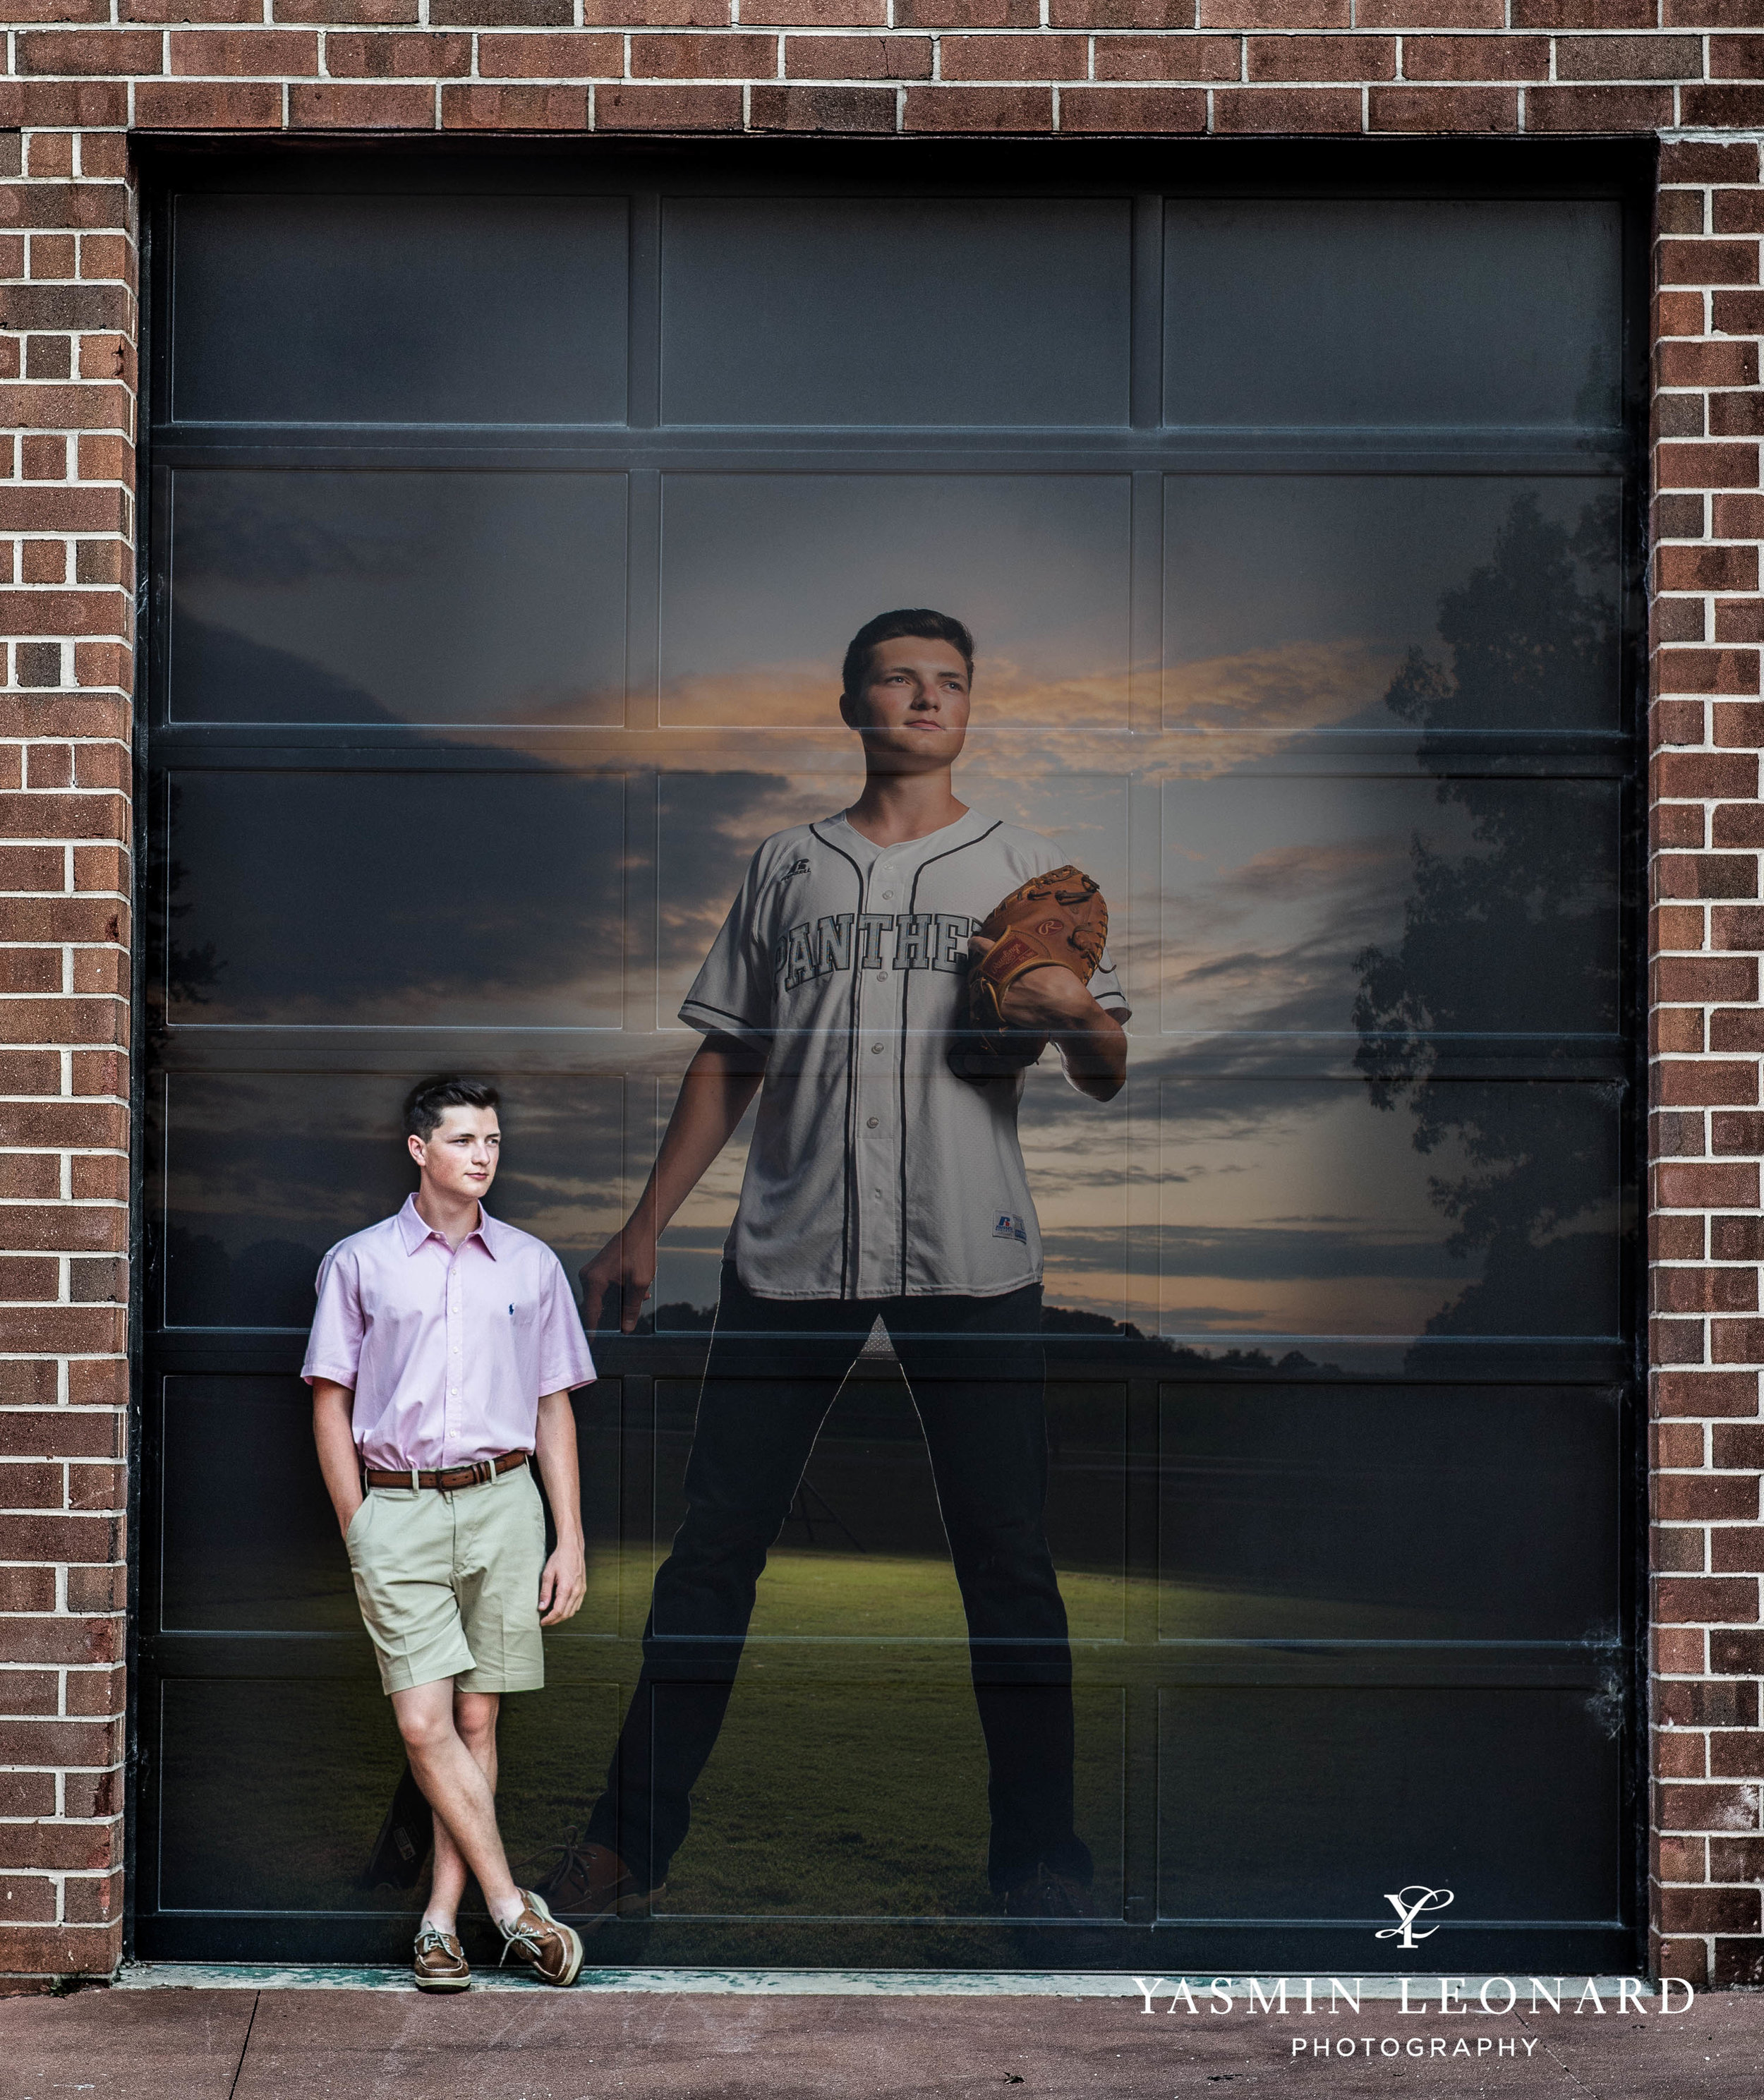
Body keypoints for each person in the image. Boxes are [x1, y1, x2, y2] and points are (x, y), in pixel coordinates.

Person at [533, 609, 1131, 1926]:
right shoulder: (785, 866)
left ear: (970, 708)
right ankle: (628, 1846)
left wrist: (1079, 1016)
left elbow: (1100, 1066)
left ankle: (1043, 1864)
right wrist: (644, 1225)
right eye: (901, 679)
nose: (928, 698)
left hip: (972, 1254)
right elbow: (730, 1056)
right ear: (853, 701)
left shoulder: (1029, 867)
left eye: (952, 682)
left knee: (1010, 1562)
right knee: (711, 1555)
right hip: (790, 1245)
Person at [305, 1075, 596, 1991]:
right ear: (419, 1149)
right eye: (465, 1138)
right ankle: (512, 1908)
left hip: (505, 1503)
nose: (483, 1155)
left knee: (477, 1716)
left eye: (494, 1140)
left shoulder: (530, 1265)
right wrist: (363, 1529)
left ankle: (439, 1925)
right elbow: (330, 1399)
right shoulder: (358, 1264)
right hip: (399, 1507)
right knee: (426, 1720)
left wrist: (569, 1537)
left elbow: (554, 1407)